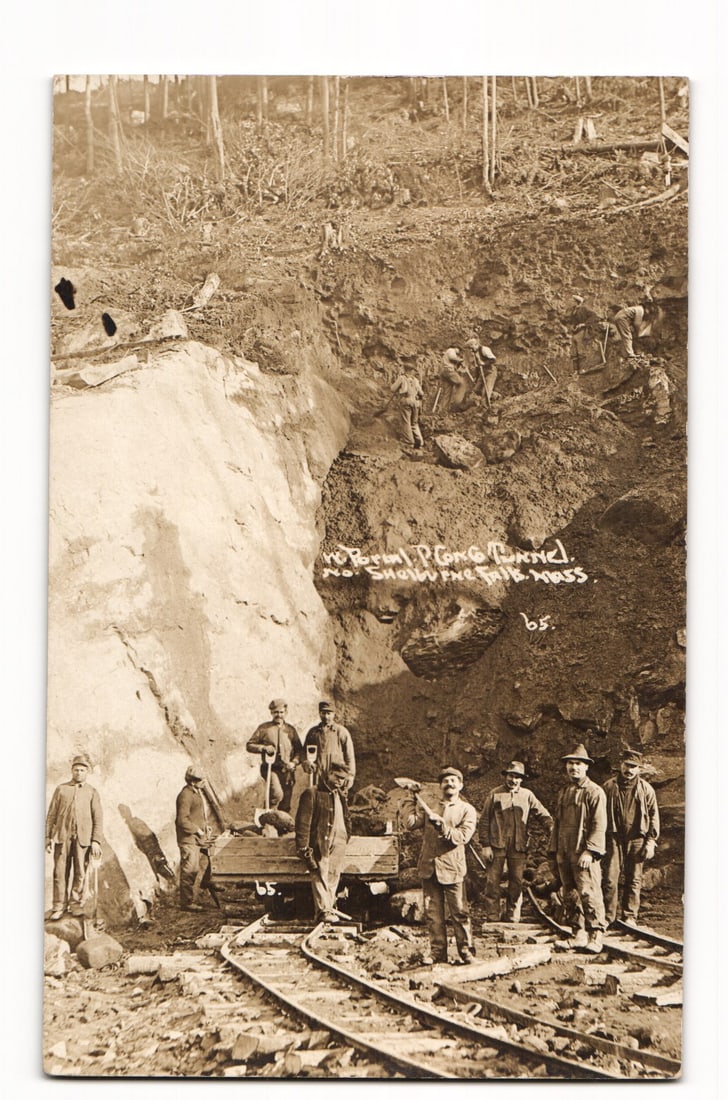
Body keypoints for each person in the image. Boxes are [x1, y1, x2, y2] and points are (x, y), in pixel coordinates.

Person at [408, 766, 478, 965]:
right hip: (429, 869)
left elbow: (463, 837)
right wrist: (410, 799)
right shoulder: (431, 807)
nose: (449, 783)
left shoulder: (467, 810)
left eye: (453, 780)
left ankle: (466, 952)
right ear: (440, 786)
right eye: (445, 781)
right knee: (433, 915)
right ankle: (437, 953)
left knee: (460, 913)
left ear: (460, 785)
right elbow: (411, 823)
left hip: (453, 869)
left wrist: (444, 828)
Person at [549, 743, 607, 953]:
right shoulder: (564, 792)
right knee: (570, 893)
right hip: (565, 851)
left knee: (589, 892)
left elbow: (599, 824)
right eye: (571, 764)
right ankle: (578, 934)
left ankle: (596, 935)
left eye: (578, 764)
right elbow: (557, 823)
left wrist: (590, 851)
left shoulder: (594, 792)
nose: (574, 767)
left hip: (583, 853)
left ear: (586, 767)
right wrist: (555, 850)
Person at [480, 760, 552, 923]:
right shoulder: (494, 794)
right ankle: (492, 915)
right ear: (506, 776)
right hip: (496, 844)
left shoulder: (527, 795)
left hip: (518, 846)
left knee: (517, 881)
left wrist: (551, 827)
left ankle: (513, 915)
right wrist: (485, 845)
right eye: (511, 776)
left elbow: (541, 813)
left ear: (522, 779)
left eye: (517, 777)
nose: (513, 780)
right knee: (493, 881)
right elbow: (484, 821)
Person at [602, 748, 660, 927]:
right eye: (627, 765)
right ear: (621, 765)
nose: (630, 770)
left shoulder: (646, 790)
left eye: (634, 767)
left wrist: (650, 842)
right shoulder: (608, 787)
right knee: (610, 879)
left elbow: (653, 816)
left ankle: (629, 916)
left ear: (639, 769)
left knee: (633, 878)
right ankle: (607, 917)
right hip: (614, 838)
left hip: (637, 838)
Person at [45, 754, 104, 920]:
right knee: (59, 872)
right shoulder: (61, 789)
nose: (79, 772)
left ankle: (75, 903)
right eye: (76, 769)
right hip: (62, 838)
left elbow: (98, 818)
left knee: (80, 872)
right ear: (72, 771)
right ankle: (58, 905)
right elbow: (51, 815)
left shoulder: (92, 792)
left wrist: (95, 841)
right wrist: (47, 837)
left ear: (87, 772)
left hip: (82, 839)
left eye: (82, 770)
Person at [295, 761, 352, 923]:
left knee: (333, 875)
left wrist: (347, 835)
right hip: (322, 841)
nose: (340, 781)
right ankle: (323, 911)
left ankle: (328, 907)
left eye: (343, 778)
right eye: (337, 776)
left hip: (339, 841)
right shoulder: (312, 793)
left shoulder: (340, 795)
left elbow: (347, 817)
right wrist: (303, 847)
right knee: (320, 874)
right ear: (328, 774)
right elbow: (303, 823)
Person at [175, 764, 217, 911]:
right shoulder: (185, 796)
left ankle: (207, 881)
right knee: (190, 870)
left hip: (198, 836)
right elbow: (182, 820)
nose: (204, 782)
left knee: (211, 855)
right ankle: (186, 902)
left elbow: (197, 814)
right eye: (201, 780)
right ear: (193, 781)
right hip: (188, 839)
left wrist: (206, 826)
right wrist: (198, 830)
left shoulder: (196, 792)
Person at [246, 699, 300, 812]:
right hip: (271, 768)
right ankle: (268, 818)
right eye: (275, 712)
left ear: (286, 712)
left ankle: (282, 827)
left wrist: (294, 762)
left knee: (285, 801)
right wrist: (263, 748)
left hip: (287, 771)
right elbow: (250, 745)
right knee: (276, 794)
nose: (278, 715)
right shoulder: (264, 728)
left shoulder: (291, 730)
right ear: (271, 713)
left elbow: (300, 751)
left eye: (281, 712)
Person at [302, 701, 356, 791]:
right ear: (319, 714)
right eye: (323, 713)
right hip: (318, 775)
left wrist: (350, 776)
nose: (326, 717)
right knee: (319, 800)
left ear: (334, 714)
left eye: (329, 713)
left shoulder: (341, 732)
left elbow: (349, 756)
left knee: (336, 800)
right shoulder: (313, 732)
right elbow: (303, 752)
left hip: (336, 775)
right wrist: (306, 762)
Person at [389, 362, 424, 448]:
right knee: (414, 423)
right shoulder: (416, 380)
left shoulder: (402, 378)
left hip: (406, 401)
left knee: (406, 422)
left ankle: (409, 441)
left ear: (406, 370)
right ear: (411, 371)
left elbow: (393, 389)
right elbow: (421, 393)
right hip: (416, 403)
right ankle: (420, 442)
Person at [465, 339, 498, 404]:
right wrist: (476, 378)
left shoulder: (484, 349)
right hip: (482, 372)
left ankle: (485, 407)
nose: (471, 350)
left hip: (490, 372)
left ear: (475, 344)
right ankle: (495, 396)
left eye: (471, 348)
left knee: (485, 391)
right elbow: (477, 367)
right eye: (469, 349)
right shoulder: (475, 353)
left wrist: (484, 363)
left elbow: (493, 360)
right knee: (476, 390)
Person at [439, 347, 469, 412]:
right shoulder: (451, 350)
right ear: (456, 348)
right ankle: (457, 405)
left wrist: (459, 364)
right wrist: (460, 360)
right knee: (462, 384)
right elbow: (452, 357)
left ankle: (443, 410)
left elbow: (454, 363)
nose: (459, 352)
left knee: (447, 392)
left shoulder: (448, 353)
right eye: (459, 350)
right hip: (448, 371)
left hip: (445, 372)